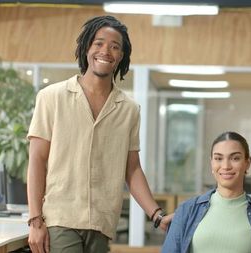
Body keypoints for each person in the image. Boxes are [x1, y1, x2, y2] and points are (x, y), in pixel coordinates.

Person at [26, 15, 170, 253]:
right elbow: (37, 160)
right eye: (99, 43)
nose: (106, 51)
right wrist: (35, 220)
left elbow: (132, 168)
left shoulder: (129, 110)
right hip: (61, 220)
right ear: (86, 49)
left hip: (102, 224)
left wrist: (156, 215)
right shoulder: (52, 97)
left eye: (115, 47)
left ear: (121, 57)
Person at [162, 131, 251, 253]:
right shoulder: (187, 211)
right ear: (212, 162)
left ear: (247, 163)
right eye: (218, 158)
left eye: (235, 158)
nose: (226, 166)